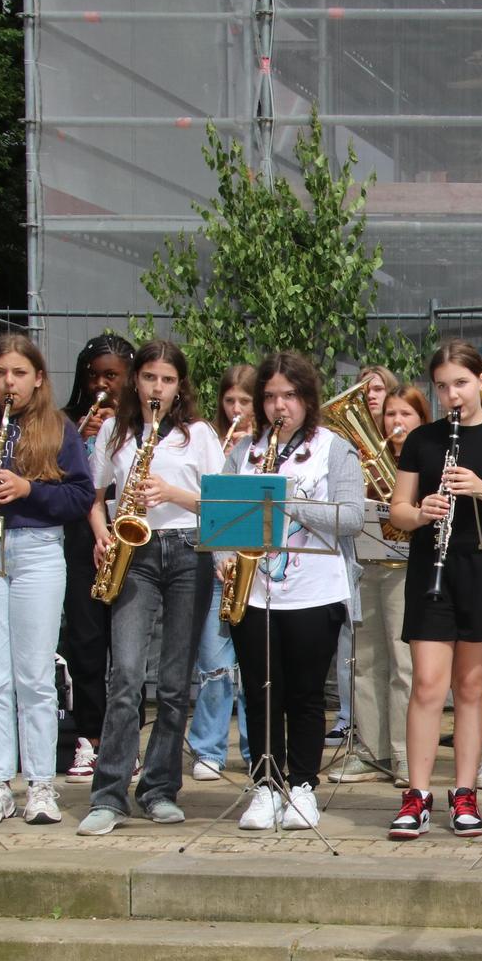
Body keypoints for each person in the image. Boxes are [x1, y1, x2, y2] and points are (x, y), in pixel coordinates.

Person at [0, 334, 96, 826]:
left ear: (38, 378)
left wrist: (28, 488)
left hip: (37, 550)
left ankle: (41, 786)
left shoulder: (59, 428)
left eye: (19, 373)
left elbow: (79, 497)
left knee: (35, 676)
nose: (9, 382)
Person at [77, 340, 226, 835]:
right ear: (134, 381)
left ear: (178, 385)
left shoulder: (199, 434)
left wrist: (171, 493)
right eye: (149, 378)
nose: (157, 388)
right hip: (132, 551)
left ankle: (160, 788)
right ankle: (108, 795)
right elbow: (95, 498)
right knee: (123, 676)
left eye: (166, 379)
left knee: (174, 681)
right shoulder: (116, 434)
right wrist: (101, 533)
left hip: (188, 549)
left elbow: (219, 505)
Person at [389, 342, 482, 840]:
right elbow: (397, 512)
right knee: (428, 683)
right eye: (443, 385)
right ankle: (417, 794)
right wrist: (420, 511)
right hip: (433, 569)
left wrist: (480, 488)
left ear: (480, 383)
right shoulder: (423, 440)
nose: (452, 394)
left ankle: (464, 792)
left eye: (461, 383)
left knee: (472, 687)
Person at [219, 352, 362, 831]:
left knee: (303, 695)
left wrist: (292, 502)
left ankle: (302, 784)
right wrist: (222, 555)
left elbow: (352, 518)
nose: (280, 405)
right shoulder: (245, 452)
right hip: (255, 592)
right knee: (260, 693)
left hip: (314, 592)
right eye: (271, 396)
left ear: (307, 399)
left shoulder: (333, 449)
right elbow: (223, 517)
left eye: (290, 395)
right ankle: (265, 784)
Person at [57, 334, 134, 784]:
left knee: (126, 649)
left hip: (126, 538)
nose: (101, 384)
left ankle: (124, 738)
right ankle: (90, 736)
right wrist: (79, 439)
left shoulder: (139, 422)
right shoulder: (66, 422)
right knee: (85, 641)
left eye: (112, 376)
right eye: (94, 375)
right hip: (79, 541)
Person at [331, 365, 405, 782]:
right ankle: (371, 749)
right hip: (365, 562)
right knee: (365, 660)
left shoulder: (412, 450)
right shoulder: (353, 450)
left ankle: (404, 755)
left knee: (403, 662)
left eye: (377, 390)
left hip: (404, 567)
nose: (371, 398)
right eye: (363, 390)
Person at [187, 363, 257, 780]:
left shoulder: (263, 448)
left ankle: (253, 750)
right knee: (214, 665)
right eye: (229, 401)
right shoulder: (214, 443)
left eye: (244, 402)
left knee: (251, 669)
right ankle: (208, 749)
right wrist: (220, 557)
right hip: (219, 566)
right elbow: (210, 508)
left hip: (258, 572)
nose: (236, 409)